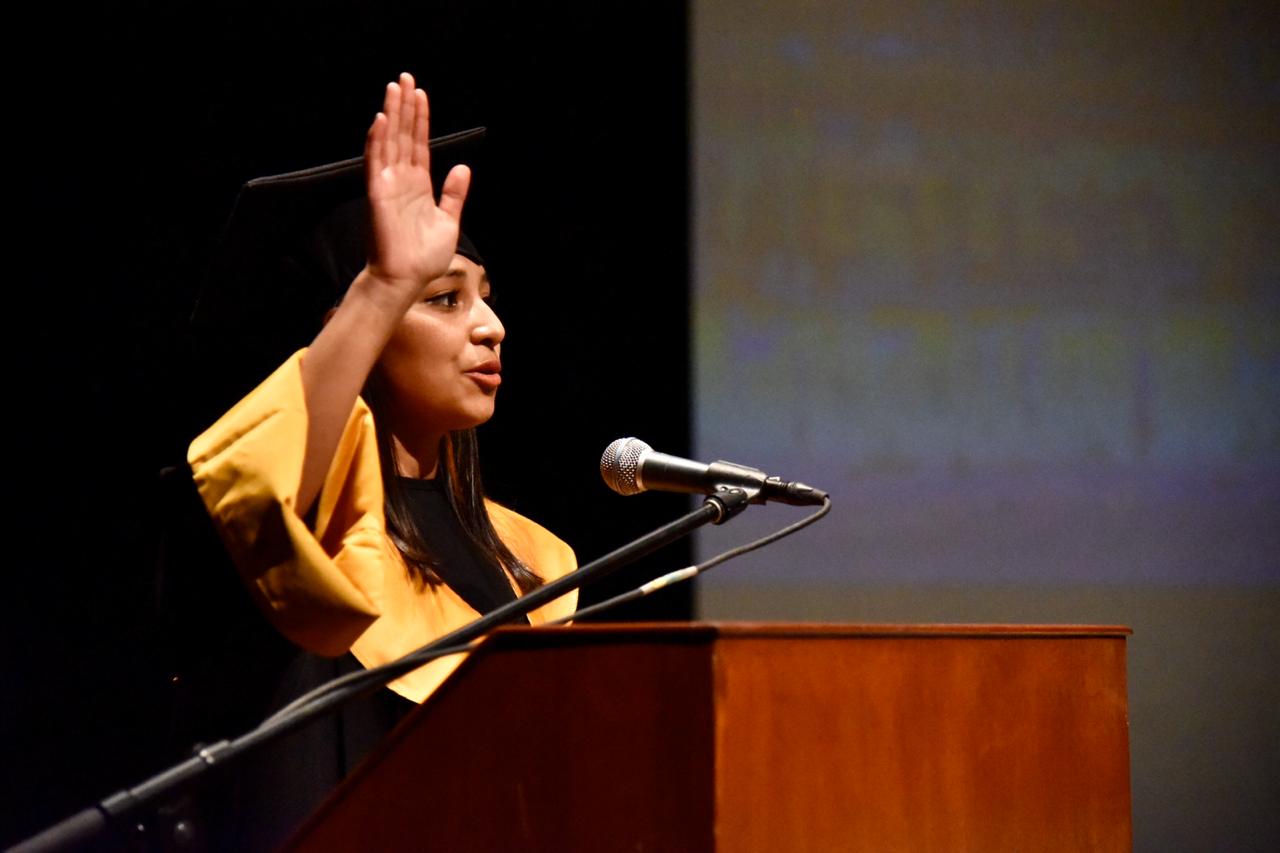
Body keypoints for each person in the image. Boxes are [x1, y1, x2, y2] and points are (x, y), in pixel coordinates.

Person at [167, 72, 577, 850]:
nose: (492, 326)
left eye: (485, 295)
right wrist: (387, 283)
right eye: (446, 298)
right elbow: (266, 493)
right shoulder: (300, 533)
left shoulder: (529, 561)